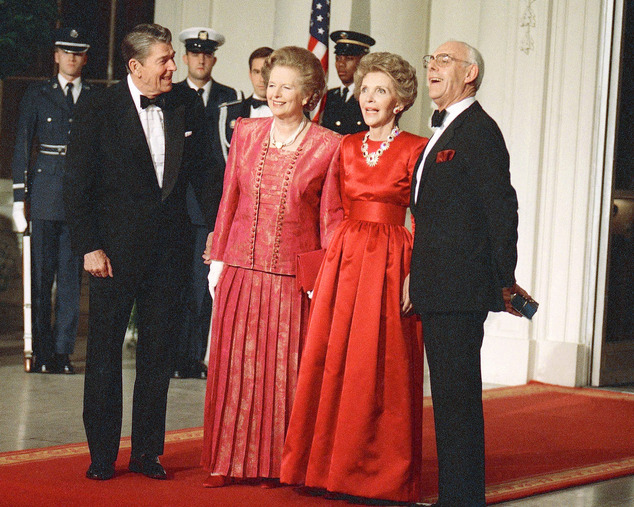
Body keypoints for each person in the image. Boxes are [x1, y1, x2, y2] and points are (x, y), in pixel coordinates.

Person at [64, 23, 216, 482]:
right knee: (105, 355)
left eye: (173, 58)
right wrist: (88, 245)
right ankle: (102, 456)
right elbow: (77, 183)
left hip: (170, 252)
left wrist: (213, 228)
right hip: (111, 253)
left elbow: (207, 172)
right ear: (136, 66)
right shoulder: (98, 106)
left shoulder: (186, 103)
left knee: (158, 356)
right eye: (165, 60)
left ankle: (148, 453)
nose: (174, 67)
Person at [280, 52, 427, 503]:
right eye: (365, 90)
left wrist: (414, 277)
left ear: (399, 101)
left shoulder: (417, 149)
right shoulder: (346, 146)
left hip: (391, 263)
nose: (369, 99)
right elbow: (332, 209)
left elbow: (423, 218)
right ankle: (325, 466)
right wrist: (325, 265)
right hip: (345, 261)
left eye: (380, 91)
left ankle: (377, 474)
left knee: (380, 365)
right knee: (335, 361)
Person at [200, 46, 343, 488]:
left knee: (283, 373)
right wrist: (218, 257)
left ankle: (277, 465)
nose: (275, 92)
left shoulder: (329, 145)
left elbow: (330, 216)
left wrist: (322, 276)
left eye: (287, 86)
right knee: (235, 369)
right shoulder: (245, 131)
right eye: (271, 83)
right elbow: (229, 198)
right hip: (241, 268)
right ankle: (226, 461)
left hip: (291, 277)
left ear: (308, 94)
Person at [409, 40, 529, 506]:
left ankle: (463, 499)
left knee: (457, 402)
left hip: (461, 288)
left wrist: (504, 280)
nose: (432, 67)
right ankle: (455, 495)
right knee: (447, 399)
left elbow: (502, 210)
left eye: (443, 61)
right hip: (436, 286)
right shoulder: (443, 130)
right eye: (430, 60)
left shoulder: (480, 131)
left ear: (470, 73)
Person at [11, 27, 93, 374]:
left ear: (85, 58)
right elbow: (22, 146)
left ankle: (62, 352)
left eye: (78, 52)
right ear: (56, 56)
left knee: (72, 281)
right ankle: (42, 352)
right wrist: (19, 199)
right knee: (41, 280)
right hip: (44, 196)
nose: (72, 58)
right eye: (66, 51)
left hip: (79, 201)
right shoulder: (37, 94)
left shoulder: (92, 96)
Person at [217, 46, 275, 162]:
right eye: (256, 72)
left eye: (266, 72)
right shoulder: (231, 112)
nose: (262, 79)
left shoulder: (290, 111)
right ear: (250, 74)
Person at [320, 30, 375, 135]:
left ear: (362, 61)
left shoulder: (369, 97)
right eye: (338, 58)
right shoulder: (329, 95)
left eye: (349, 59)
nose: (341, 64)